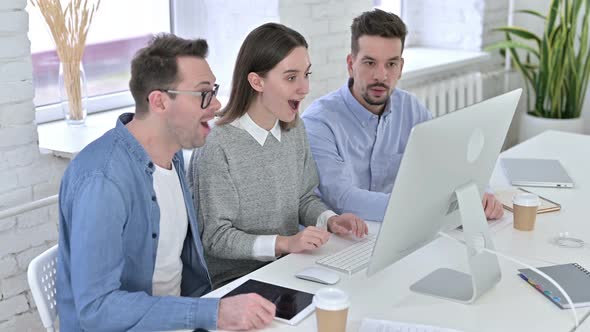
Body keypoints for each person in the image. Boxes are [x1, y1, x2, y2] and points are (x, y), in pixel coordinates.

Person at [56, 34, 276, 331]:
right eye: (203, 94)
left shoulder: (172, 157)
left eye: (214, 91)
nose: (218, 104)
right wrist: (213, 312)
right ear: (159, 101)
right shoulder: (103, 180)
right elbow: (97, 309)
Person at [189, 23, 368, 288]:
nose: (304, 88)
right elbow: (216, 237)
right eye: (291, 77)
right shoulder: (217, 144)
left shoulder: (295, 128)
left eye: (306, 75)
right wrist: (284, 243)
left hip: (286, 266)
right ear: (256, 81)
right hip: (236, 281)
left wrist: (330, 220)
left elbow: (303, 197)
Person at [301, 9, 504, 222]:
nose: (381, 75)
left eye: (391, 64)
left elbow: (448, 159)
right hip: (341, 238)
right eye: (370, 63)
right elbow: (343, 199)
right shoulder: (319, 121)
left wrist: (481, 192)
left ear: (400, 67)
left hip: (396, 229)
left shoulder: (410, 108)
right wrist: (429, 207)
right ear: (351, 65)